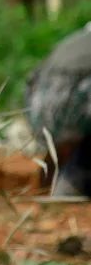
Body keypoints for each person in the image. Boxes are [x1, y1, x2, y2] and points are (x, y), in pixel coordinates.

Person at [25, 23, 91, 196]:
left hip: (40, 115)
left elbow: (32, 80)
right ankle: (72, 184)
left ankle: (63, 185)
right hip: (76, 113)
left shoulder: (72, 42)